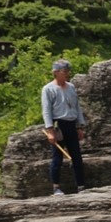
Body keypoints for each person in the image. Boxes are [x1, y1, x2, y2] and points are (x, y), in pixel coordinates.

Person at [41, 59, 86, 195]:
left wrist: (79, 126)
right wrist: (50, 130)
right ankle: (56, 187)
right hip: (58, 125)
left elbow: (77, 107)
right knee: (57, 158)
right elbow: (46, 110)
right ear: (56, 73)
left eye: (68, 71)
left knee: (77, 156)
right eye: (64, 71)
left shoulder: (71, 87)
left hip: (71, 124)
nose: (67, 74)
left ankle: (81, 186)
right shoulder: (48, 89)